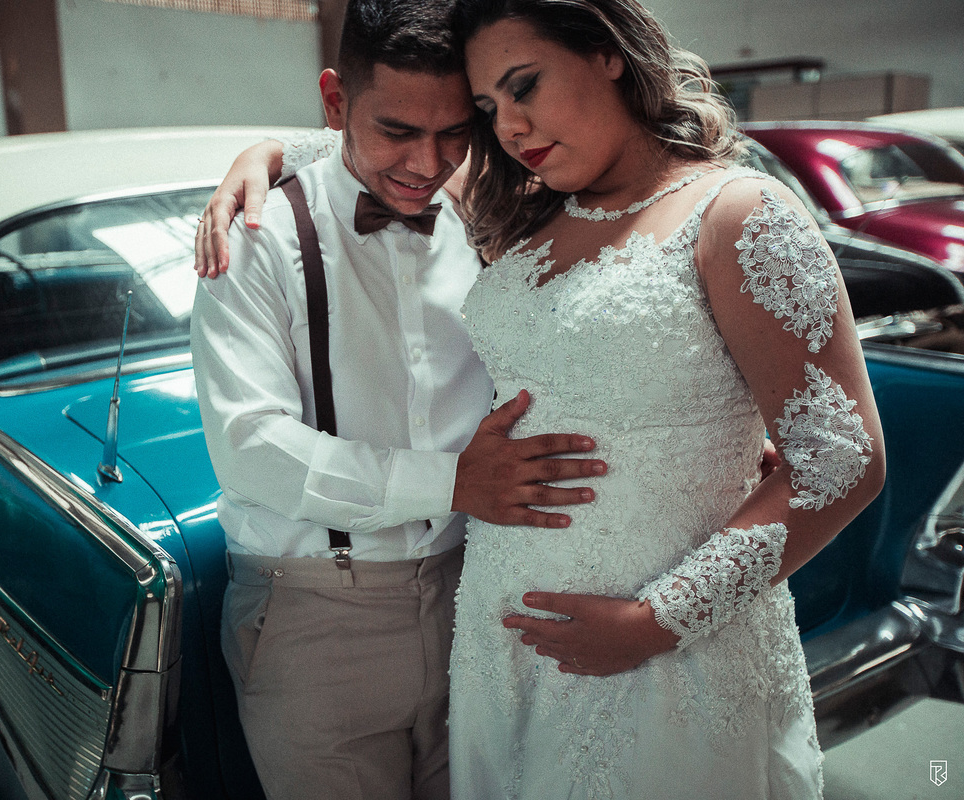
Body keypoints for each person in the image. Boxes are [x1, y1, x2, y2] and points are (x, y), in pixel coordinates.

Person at [202, 0, 884, 797]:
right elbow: (405, 151)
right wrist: (274, 150)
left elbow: (841, 459)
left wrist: (655, 623)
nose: (508, 129)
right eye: (492, 109)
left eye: (519, 91)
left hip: (652, 643)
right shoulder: (520, 209)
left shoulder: (731, 211)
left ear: (607, 53)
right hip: (474, 641)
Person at [188, 1, 608, 797]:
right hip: (317, 622)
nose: (427, 163)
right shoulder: (257, 236)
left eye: (454, 132)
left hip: (472, 599)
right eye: (397, 132)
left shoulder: (484, 218)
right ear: (336, 101)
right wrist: (453, 484)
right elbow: (249, 447)